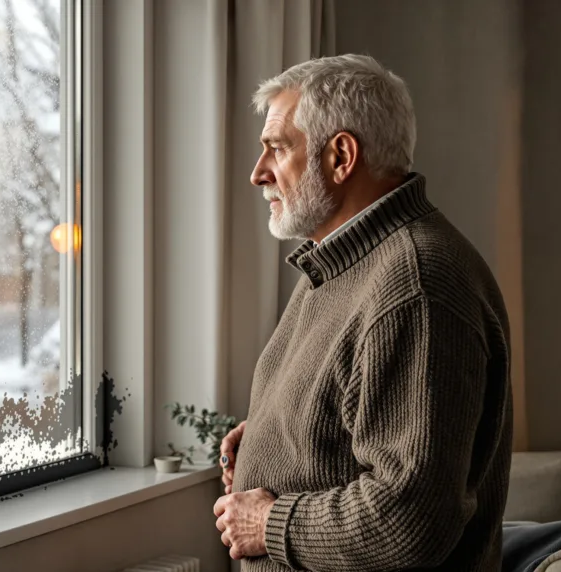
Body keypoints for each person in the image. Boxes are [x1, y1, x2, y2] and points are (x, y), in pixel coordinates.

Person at [213, 54, 513, 571]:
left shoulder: (416, 288)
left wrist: (269, 523)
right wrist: (274, 433)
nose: (257, 173)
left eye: (277, 149)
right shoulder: (339, 261)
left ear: (341, 156)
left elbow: (410, 515)